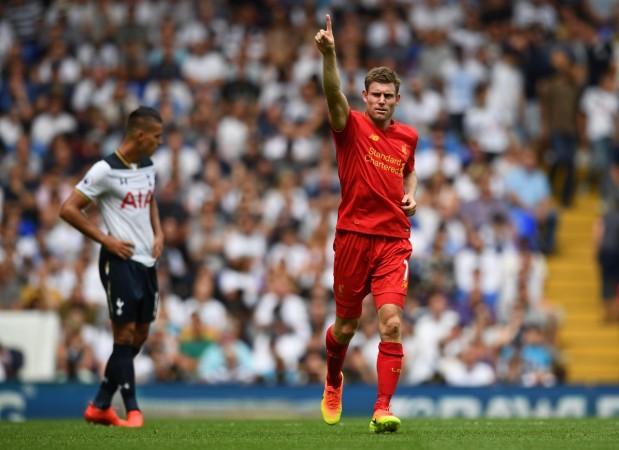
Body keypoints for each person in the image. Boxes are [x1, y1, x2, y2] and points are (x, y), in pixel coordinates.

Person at [314, 15, 418, 433]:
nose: (380, 100)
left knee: (391, 322)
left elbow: (409, 170)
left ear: (397, 100)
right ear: (364, 96)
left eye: (388, 95)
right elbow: (331, 90)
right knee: (346, 325)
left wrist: (412, 192)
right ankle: (333, 379)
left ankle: (381, 408)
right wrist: (329, 54)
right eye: (374, 94)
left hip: (394, 239)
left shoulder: (408, 136)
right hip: (354, 237)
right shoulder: (350, 126)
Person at [59, 106, 164, 427]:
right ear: (139, 134)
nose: (160, 142)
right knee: (125, 333)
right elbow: (69, 209)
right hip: (119, 260)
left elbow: (149, 200)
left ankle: (101, 403)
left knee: (140, 335)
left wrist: (158, 232)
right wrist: (106, 239)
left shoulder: (148, 165)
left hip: (147, 261)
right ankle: (133, 409)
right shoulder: (104, 170)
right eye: (157, 136)